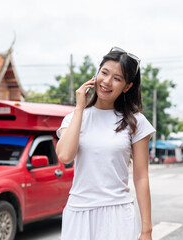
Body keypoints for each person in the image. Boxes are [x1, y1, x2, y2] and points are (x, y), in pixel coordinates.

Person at [56, 46, 155, 240]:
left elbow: (141, 177)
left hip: (117, 214)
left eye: (117, 78)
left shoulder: (136, 122)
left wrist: (146, 230)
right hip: (79, 213)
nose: (107, 82)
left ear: (127, 86)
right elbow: (65, 155)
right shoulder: (74, 118)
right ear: (96, 73)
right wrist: (79, 108)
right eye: (104, 73)